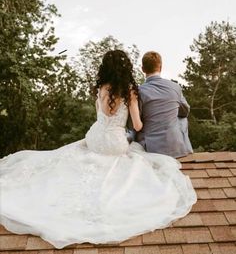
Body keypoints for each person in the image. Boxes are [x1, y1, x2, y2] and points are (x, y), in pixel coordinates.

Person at [0, 50, 197, 249]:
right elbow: (137, 125)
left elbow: (100, 117)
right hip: (114, 144)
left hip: (95, 137)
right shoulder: (130, 91)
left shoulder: (101, 88)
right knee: (132, 156)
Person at [136, 51, 193, 158]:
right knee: (181, 118)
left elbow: (135, 122)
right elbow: (185, 111)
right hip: (174, 146)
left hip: (150, 148)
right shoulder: (175, 87)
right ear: (160, 67)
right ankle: (183, 145)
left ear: (142, 69)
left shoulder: (139, 91)